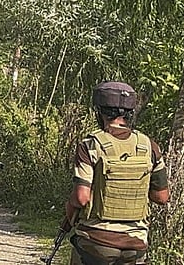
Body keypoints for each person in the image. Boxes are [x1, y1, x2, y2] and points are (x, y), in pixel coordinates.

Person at [64, 82, 169, 265]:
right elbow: (161, 196)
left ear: (99, 112)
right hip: (135, 244)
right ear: (130, 113)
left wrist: (68, 213)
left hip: (96, 241)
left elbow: (81, 198)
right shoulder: (149, 146)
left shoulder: (90, 145)